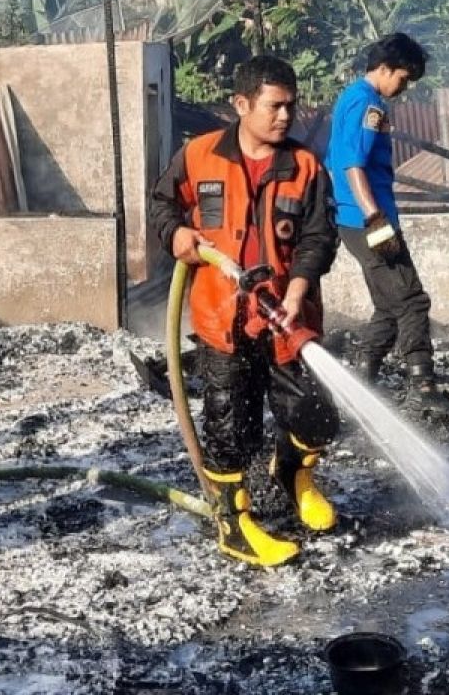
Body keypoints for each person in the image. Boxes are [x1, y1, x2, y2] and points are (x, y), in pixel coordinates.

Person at [149, 55, 342, 567]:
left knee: (316, 415)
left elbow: (320, 236)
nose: (286, 116)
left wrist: (299, 288)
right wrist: (178, 236)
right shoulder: (198, 156)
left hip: (289, 320)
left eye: (291, 106)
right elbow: (162, 205)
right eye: (275, 106)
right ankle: (234, 526)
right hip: (223, 321)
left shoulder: (305, 167)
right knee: (229, 428)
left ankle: (293, 474)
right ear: (241, 105)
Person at [325, 32, 449, 417]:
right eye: (402, 78)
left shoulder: (354, 97)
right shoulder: (368, 105)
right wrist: (374, 217)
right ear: (383, 69)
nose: (404, 87)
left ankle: (363, 377)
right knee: (412, 300)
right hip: (367, 218)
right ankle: (423, 387)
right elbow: (351, 163)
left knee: (388, 304)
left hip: (356, 219)